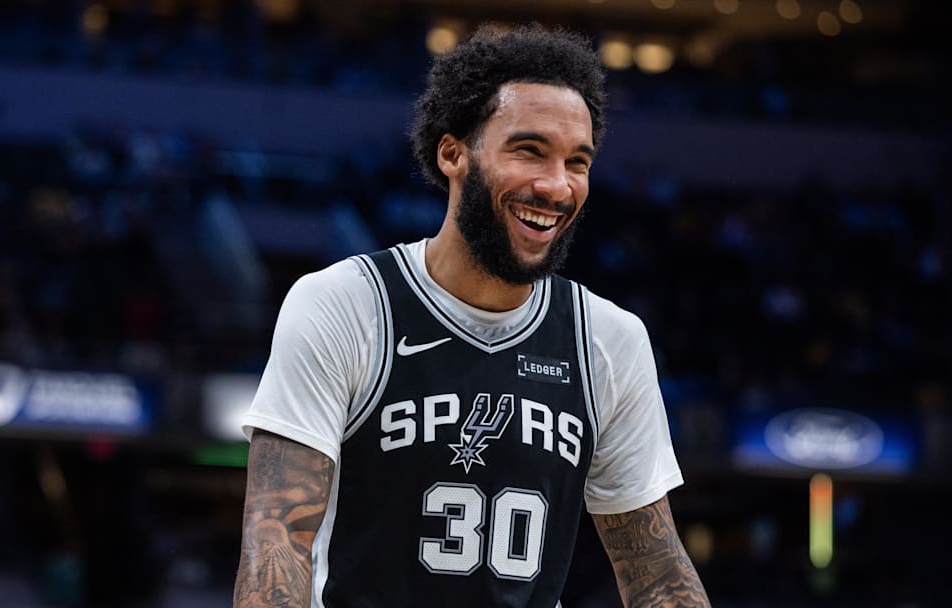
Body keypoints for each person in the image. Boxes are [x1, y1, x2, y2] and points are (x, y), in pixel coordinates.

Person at [234, 25, 710, 608]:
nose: (556, 185)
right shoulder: (348, 303)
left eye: (577, 162)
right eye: (529, 150)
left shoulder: (607, 338)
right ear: (453, 153)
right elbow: (275, 540)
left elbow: (658, 575)